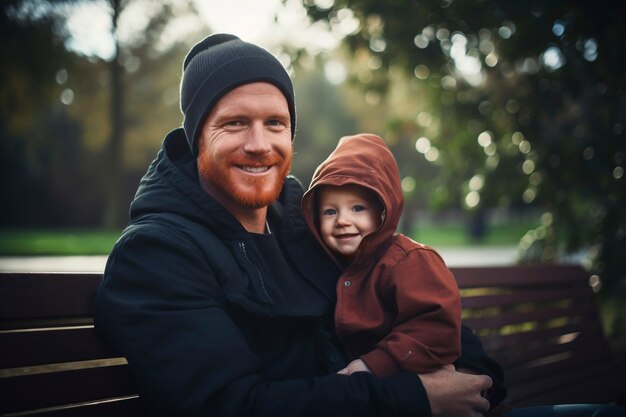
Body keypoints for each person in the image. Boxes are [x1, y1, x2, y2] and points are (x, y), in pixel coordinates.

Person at [93, 32, 503, 417]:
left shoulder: (310, 225)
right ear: (197, 136)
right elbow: (229, 406)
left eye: (275, 123)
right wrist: (416, 399)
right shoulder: (156, 256)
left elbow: (422, 309)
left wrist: (469, 376)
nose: (259, 145)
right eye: (235, 123)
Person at [301, 133, 461, 378]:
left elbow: (436, 327)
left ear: (383, 211)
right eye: (330, 211)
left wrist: (375, 364)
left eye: (357, 208)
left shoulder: (408, 261)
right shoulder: (332, 266)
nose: (343, 221)